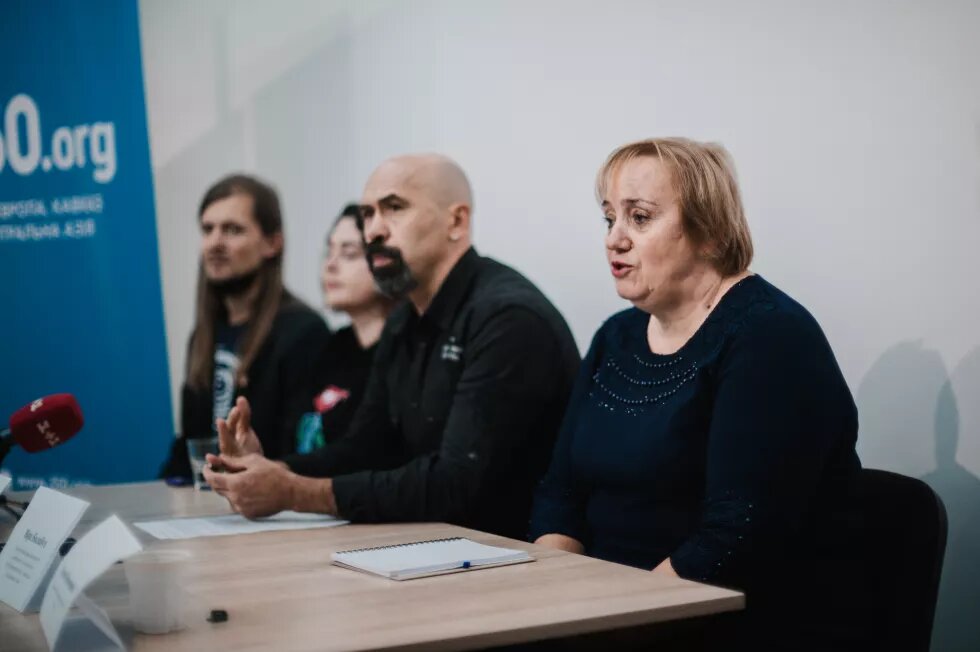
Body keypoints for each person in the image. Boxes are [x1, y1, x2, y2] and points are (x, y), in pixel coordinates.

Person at [529, 138, 867, 649]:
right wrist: (552, 600)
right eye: (609, 220)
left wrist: (604, 619)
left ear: (709, 232)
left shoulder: (768, 336)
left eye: (639, 218)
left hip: (723, 621)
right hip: (607, 611)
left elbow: (736, 536)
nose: (614, 239)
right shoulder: (616, 337)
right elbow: (561, 493)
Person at [204, 154, 580, 539]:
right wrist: (268, 469)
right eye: (367, 214)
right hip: (435, 547)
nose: (374, 231)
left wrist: (294, 492)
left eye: (394, 208)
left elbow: (458, 484)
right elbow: (365, 448)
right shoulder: (404, 319)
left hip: (514, 558)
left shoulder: (507, 319)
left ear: (457, 221)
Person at [161, 174, 329, 478]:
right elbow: (189, 445)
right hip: (203, 506)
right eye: (207, 229)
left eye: (233, 230)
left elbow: (302, 452)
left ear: (272, 242)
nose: (214, 243)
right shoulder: (202, 336)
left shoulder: (303, 331)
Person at [294, 204, 396, 454]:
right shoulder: (334, 346)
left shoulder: (402, 351)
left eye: (349, 254)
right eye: (329, 251)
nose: (330, 265)